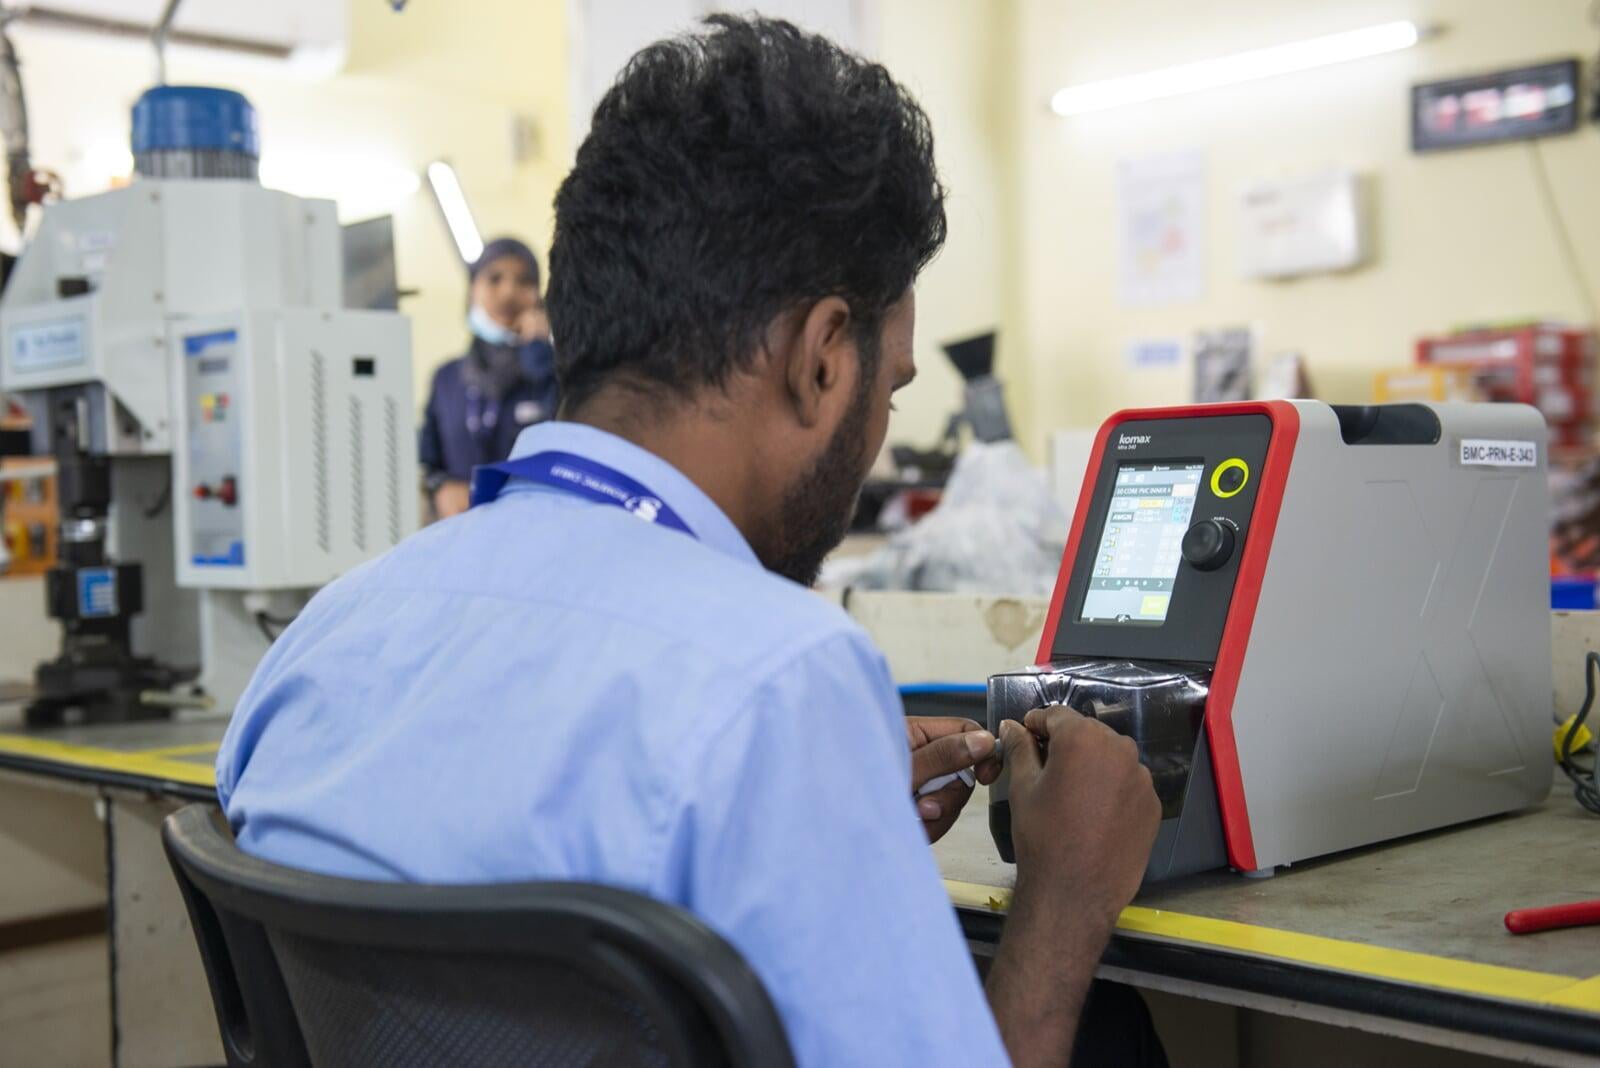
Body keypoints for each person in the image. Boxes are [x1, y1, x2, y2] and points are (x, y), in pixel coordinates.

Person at [217, 16, 1162, 1067]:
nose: (876, 432)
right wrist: (1065, 900)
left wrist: (813, 807)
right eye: (887, 390)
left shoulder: (319, 641)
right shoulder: (779, 680)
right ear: (820, 359)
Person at [419, 236, 559, 518]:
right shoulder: (447, 379)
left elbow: (563, 435)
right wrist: (441, 488)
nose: (509, 292)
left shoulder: (555, 372)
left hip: (535, 526)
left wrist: (540, 355)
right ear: (472, 291)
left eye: (524, 281)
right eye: (494, 279)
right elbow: (428, 462)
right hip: (462, 533)